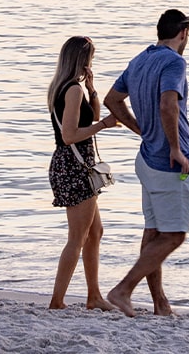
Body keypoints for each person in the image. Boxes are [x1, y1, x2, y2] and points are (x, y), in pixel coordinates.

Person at [103, 9, 189, 317]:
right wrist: (175, 148)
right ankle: (123, 290)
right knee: (174, 235)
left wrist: (141, 129)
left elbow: (112, 100)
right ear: (183, 32)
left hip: (146, 158)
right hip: (166, 162)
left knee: (154, 231)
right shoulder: (174, 62)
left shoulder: (140, 60)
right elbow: (168, 104)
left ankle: (160, 304)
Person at [46, 36, 119, 311]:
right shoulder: (71, 90)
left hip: (75, 165)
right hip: (74, 166)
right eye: (91, 58)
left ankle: (93, 296)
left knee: (95, 232)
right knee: (77, 237)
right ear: (82, 59)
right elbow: (69, 136)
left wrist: (93, 90)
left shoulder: (69, 88)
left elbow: (86, 118)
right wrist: (104, 125)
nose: (92, 63)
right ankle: (57, 301)